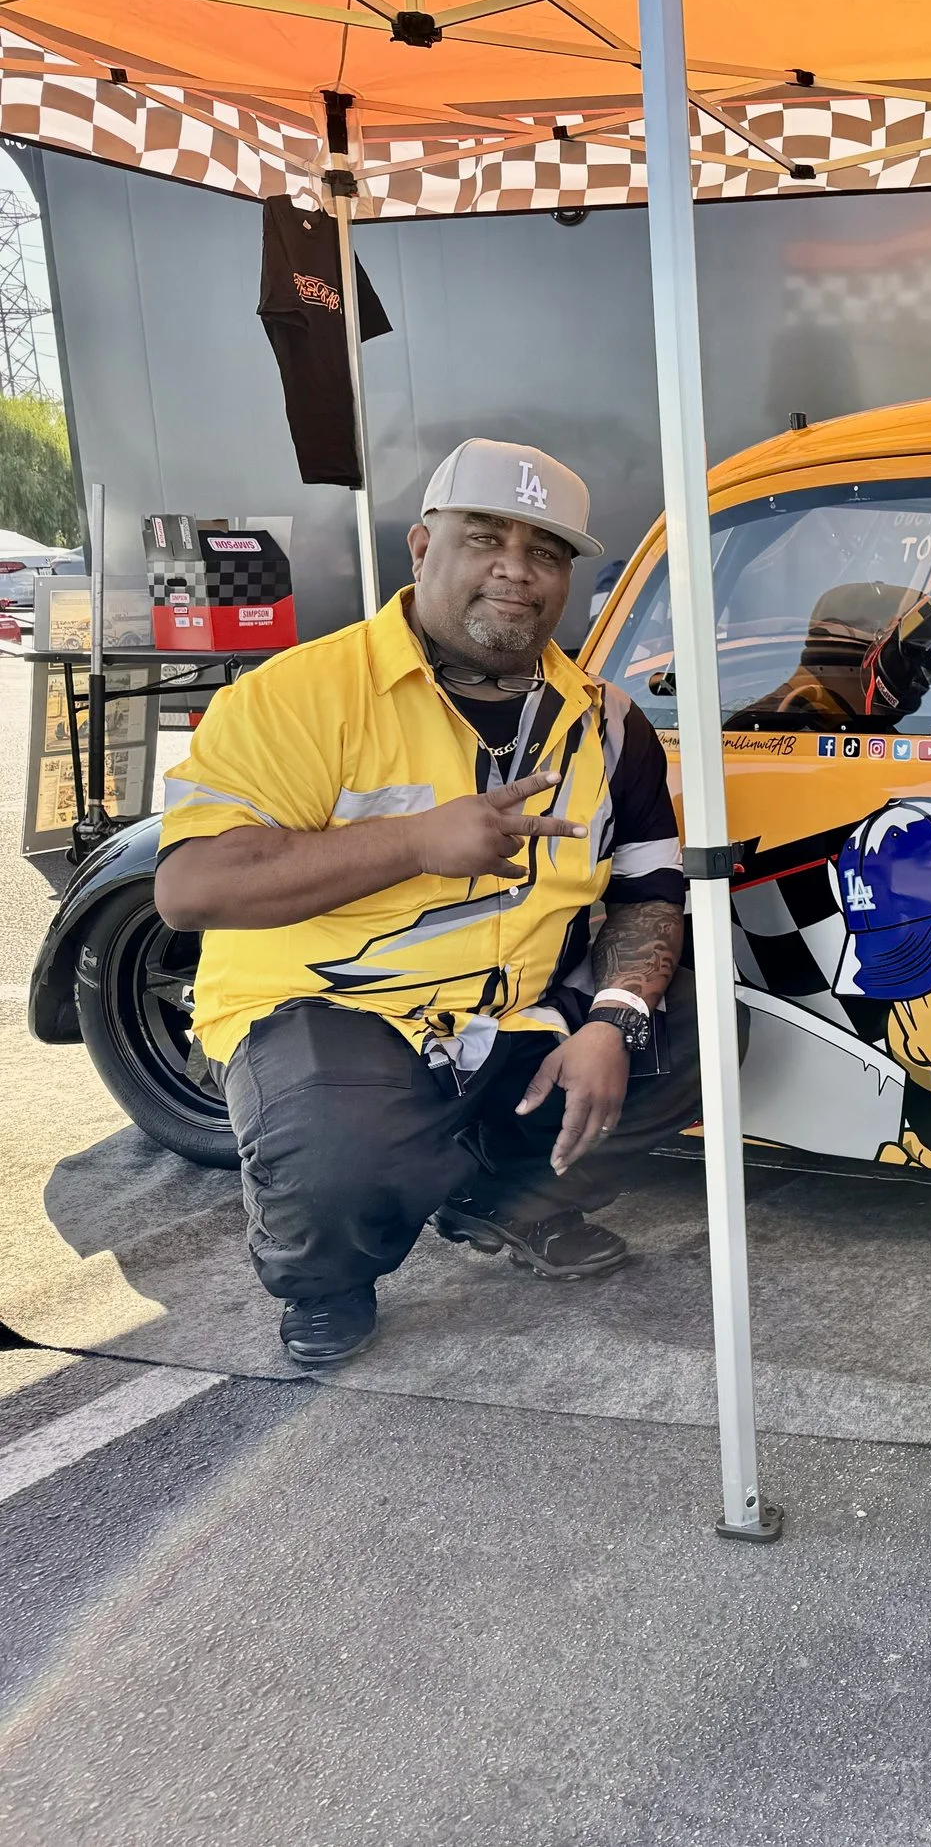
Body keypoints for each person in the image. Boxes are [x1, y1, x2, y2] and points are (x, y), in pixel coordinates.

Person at [153, 439, 698, 1369]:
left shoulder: (605, 720)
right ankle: (328, 1276)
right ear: (420, 547)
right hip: (337, 1011)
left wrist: (613, 1019)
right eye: (486, 538)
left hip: (514, 1013)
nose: (515, 572)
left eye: (547, 553)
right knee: (335, 1161)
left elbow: (651, 889)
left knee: (700, 1035)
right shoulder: (297, 693)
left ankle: (502, 1195)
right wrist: (416, 842)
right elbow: (191, 888)